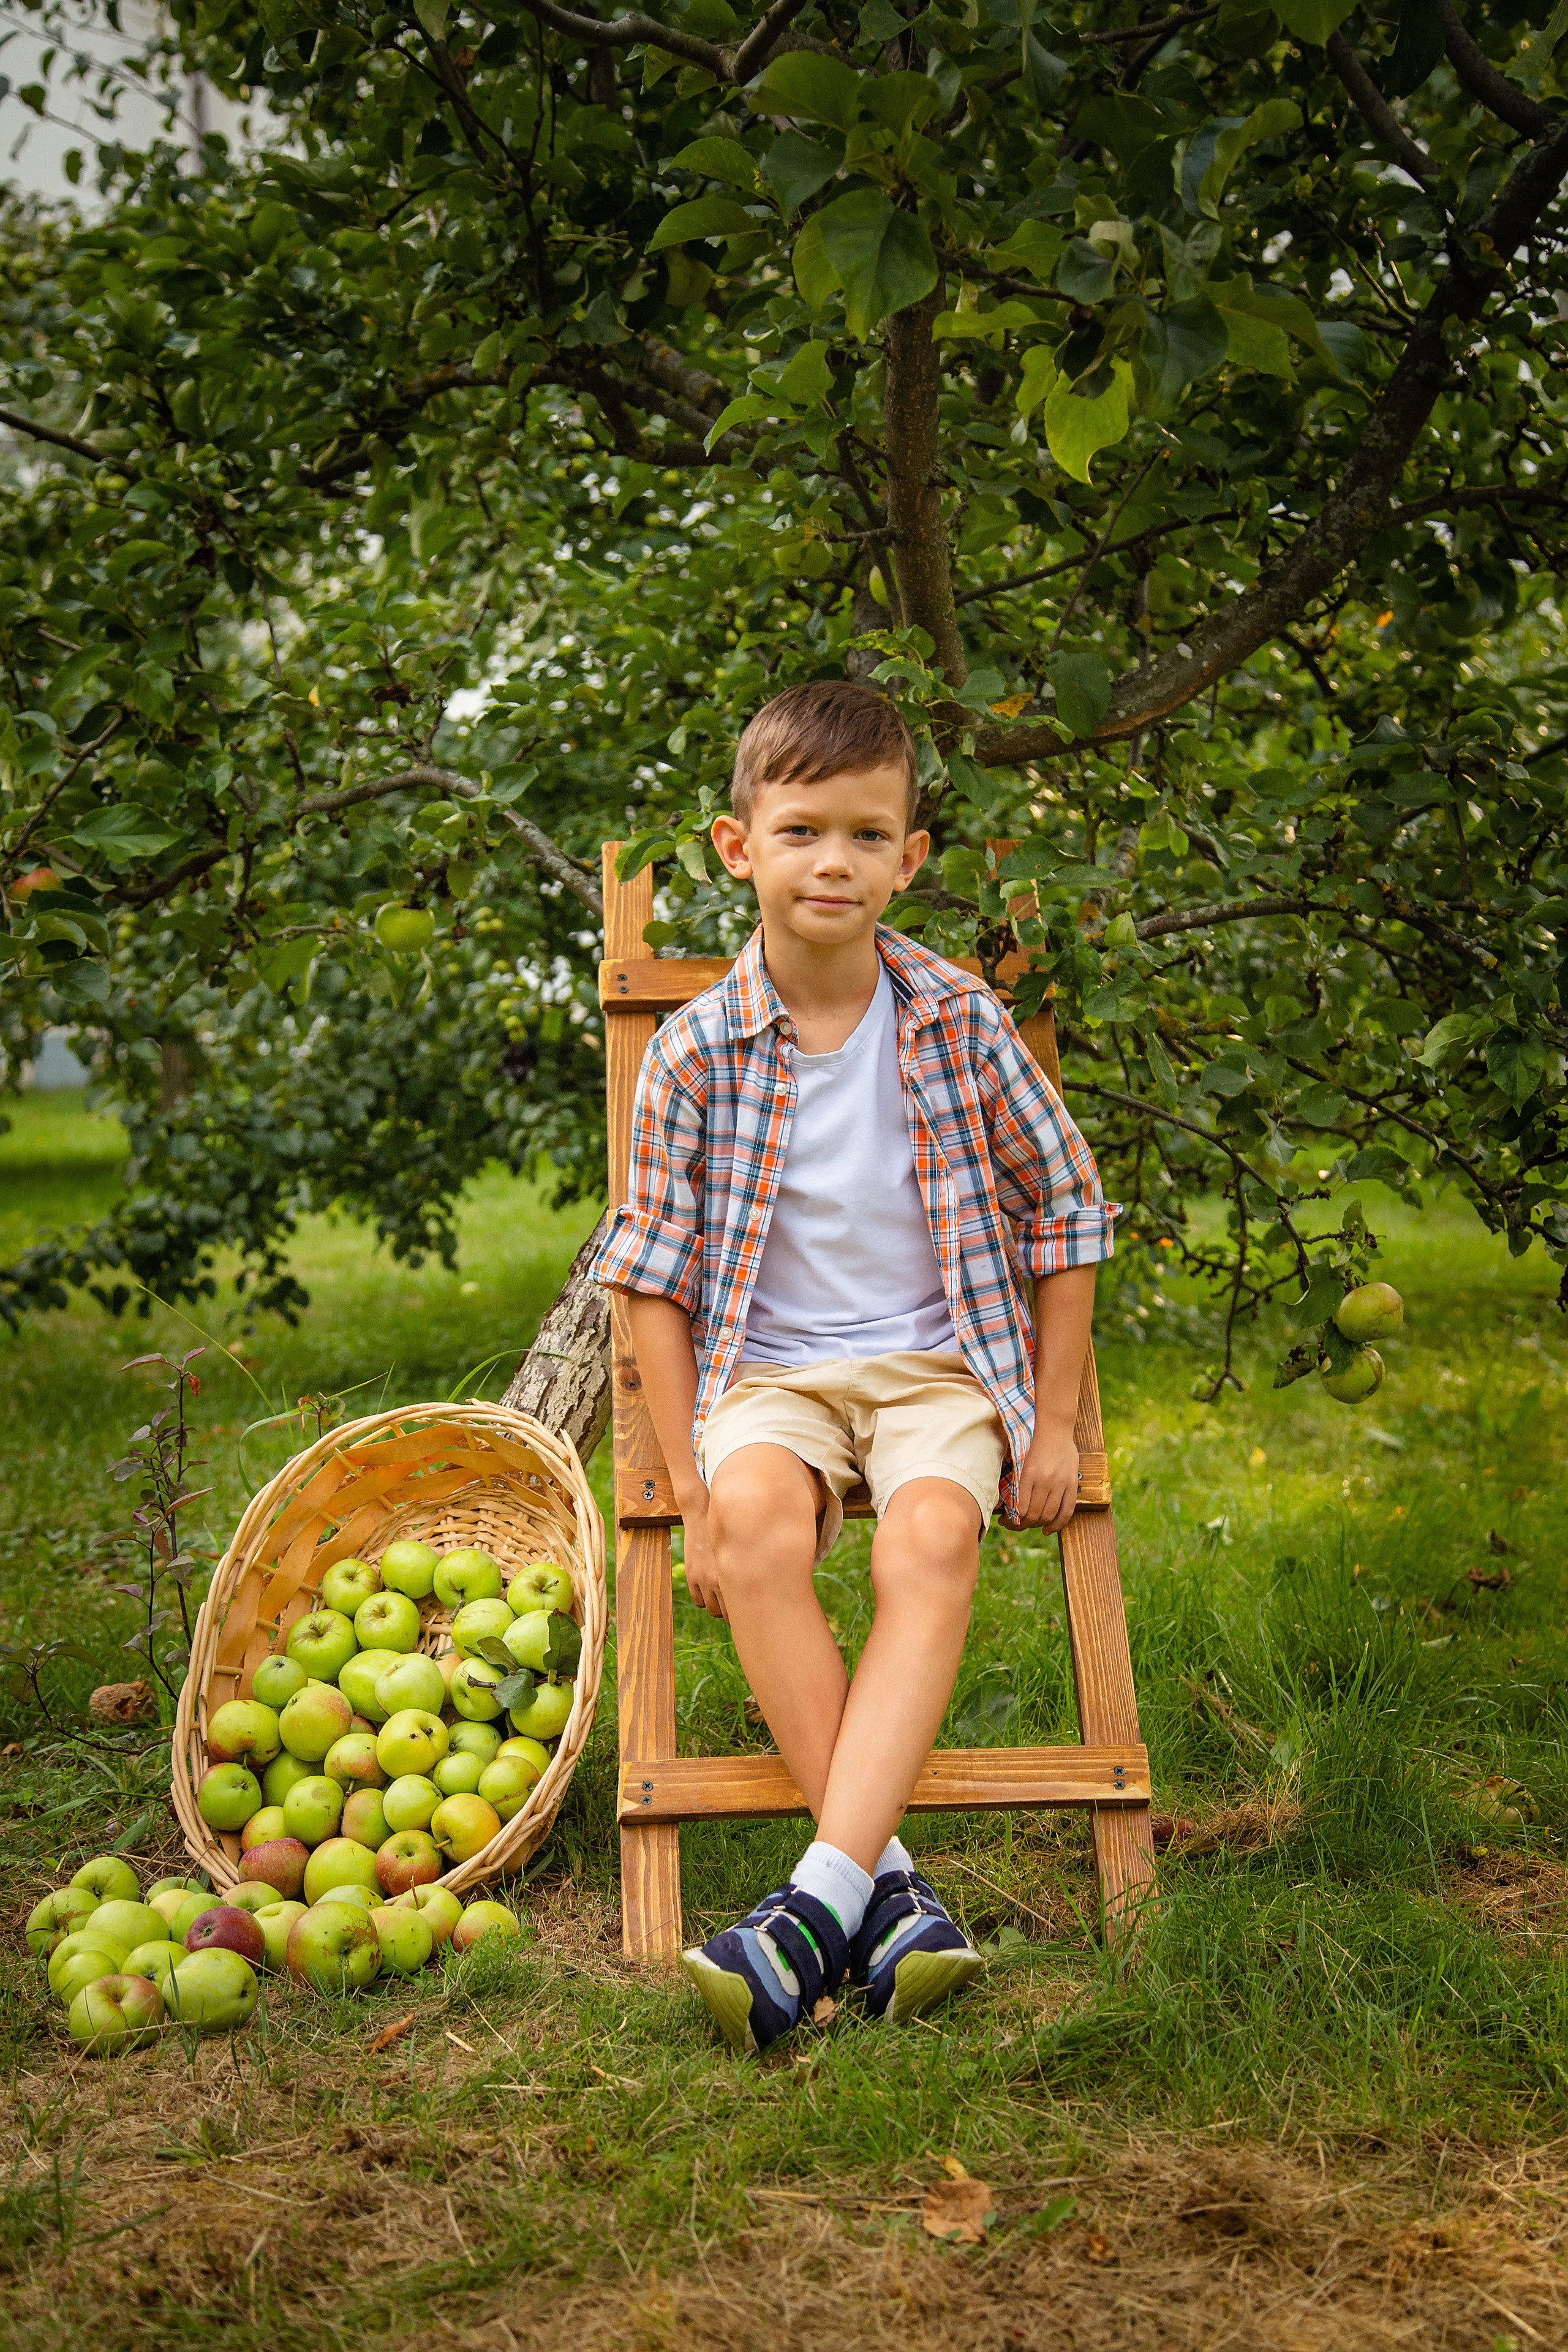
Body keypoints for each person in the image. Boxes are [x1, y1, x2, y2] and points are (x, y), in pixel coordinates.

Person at [593, 677, 1117, 2052]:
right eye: (803, 831)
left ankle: (814, 1904)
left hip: (940, 1369)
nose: (834, 862)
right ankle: (881, 1900)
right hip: (769, 1373)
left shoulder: (955, 1021)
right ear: (735, 845)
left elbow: (1066, 1211)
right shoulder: (697, 1052)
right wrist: (693, 1487)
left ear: (909, 858)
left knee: (930, 1536)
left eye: (867, 837)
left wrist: (1048, 1423)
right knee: (759, 1531)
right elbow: (648, 1271)